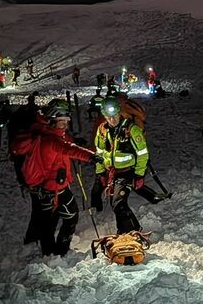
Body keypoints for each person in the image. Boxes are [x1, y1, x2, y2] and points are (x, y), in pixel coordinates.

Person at [11, 100, 97, 254]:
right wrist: (91, 156)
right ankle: (56, 252)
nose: (65, 125)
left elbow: (65, 143)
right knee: (62, 219)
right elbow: (67, 148)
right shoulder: (50, 140)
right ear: (52, 121)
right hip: (53, 188)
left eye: (66, 121)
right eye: (61, 122)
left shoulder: (45, 133)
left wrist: (74, 140)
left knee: (49, 221)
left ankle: (48, 251)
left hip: (47, 188)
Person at [92, 97, 161, 233]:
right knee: (116, 203)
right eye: (108, 117)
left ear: (119, 112)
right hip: (112, 173)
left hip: (128, 172)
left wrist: (139, 175)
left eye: (115, 116)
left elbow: (142, 154)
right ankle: (128, 230)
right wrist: (100, 173)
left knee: (118, 202)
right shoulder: (102, 131)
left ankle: (131, 231)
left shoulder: (131, 129)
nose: (112, 120)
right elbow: (99, 153)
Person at [6, 95, 40, 188]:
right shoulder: (34, 113)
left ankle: (23, 181)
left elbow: (11, 134)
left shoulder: (15, 116)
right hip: (28, 145)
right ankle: (28, 182)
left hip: (18, 146)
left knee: (20, 163)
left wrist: (10, 149)